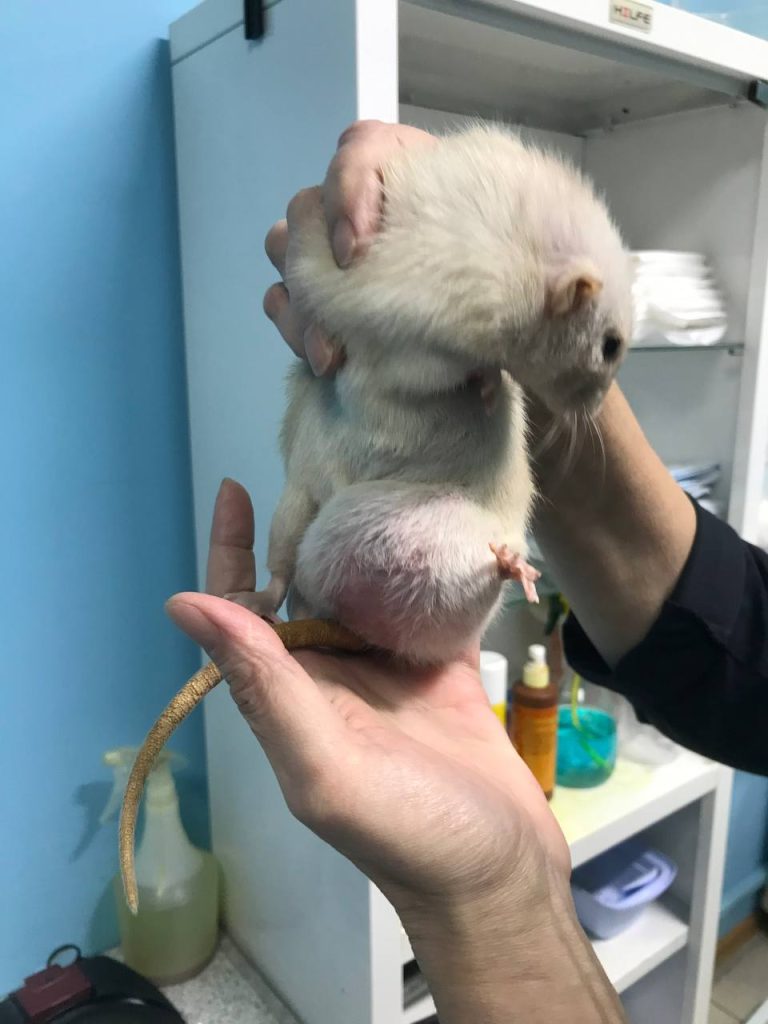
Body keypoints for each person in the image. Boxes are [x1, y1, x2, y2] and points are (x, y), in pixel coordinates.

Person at [166, 120, 768, 1024]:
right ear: (569, 293)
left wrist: (501, 894)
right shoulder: (484, 313)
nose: (605, 391)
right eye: (607, 353)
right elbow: (745, 640)